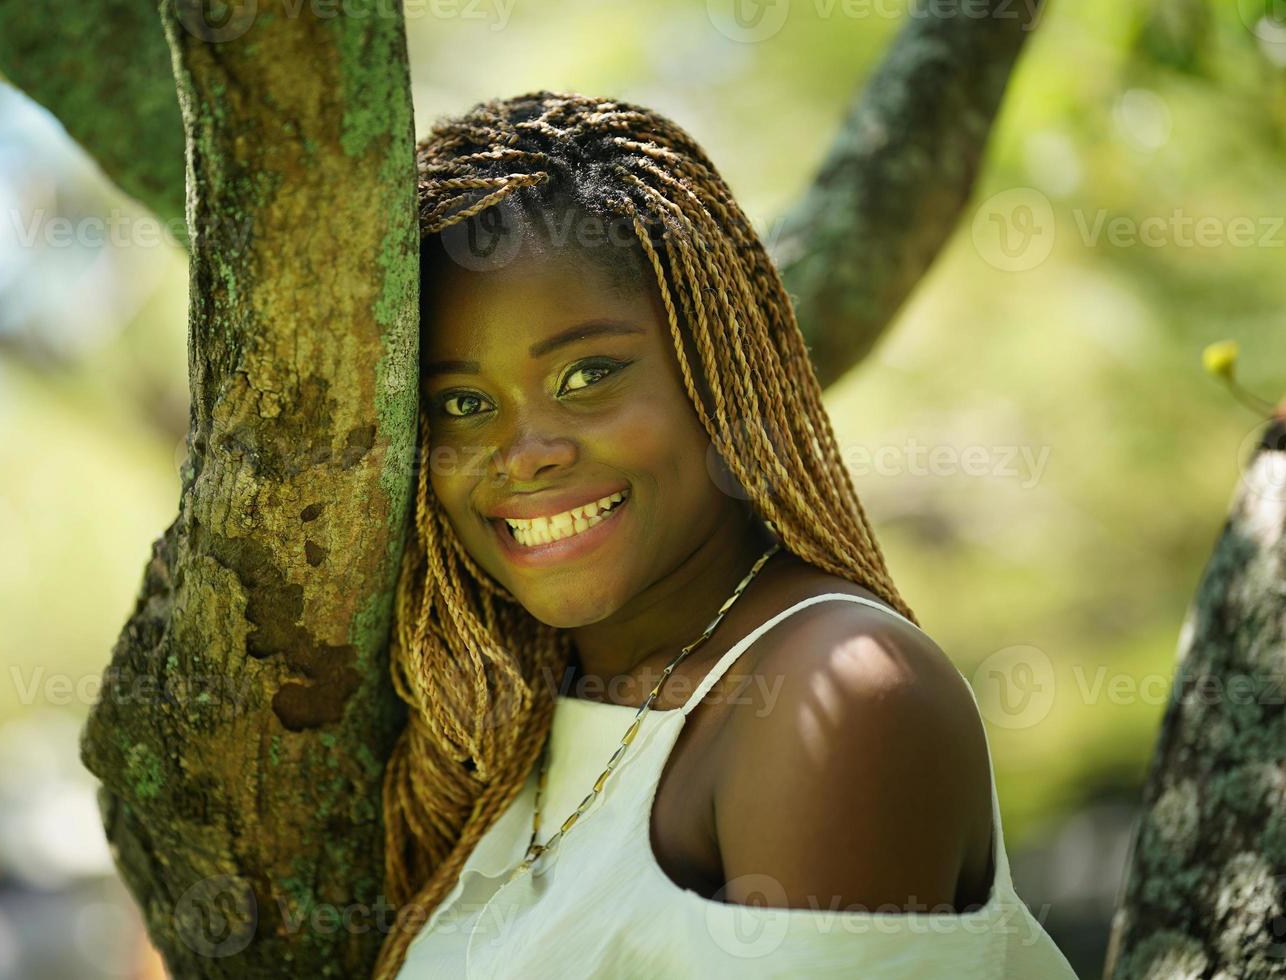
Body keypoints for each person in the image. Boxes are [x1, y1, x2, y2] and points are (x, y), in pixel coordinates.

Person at [373, 90, 1078, 979]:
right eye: (464, 405)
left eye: (588, 374)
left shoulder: (837, 694)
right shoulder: (500, 708)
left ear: (718, 371)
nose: (528, 454)